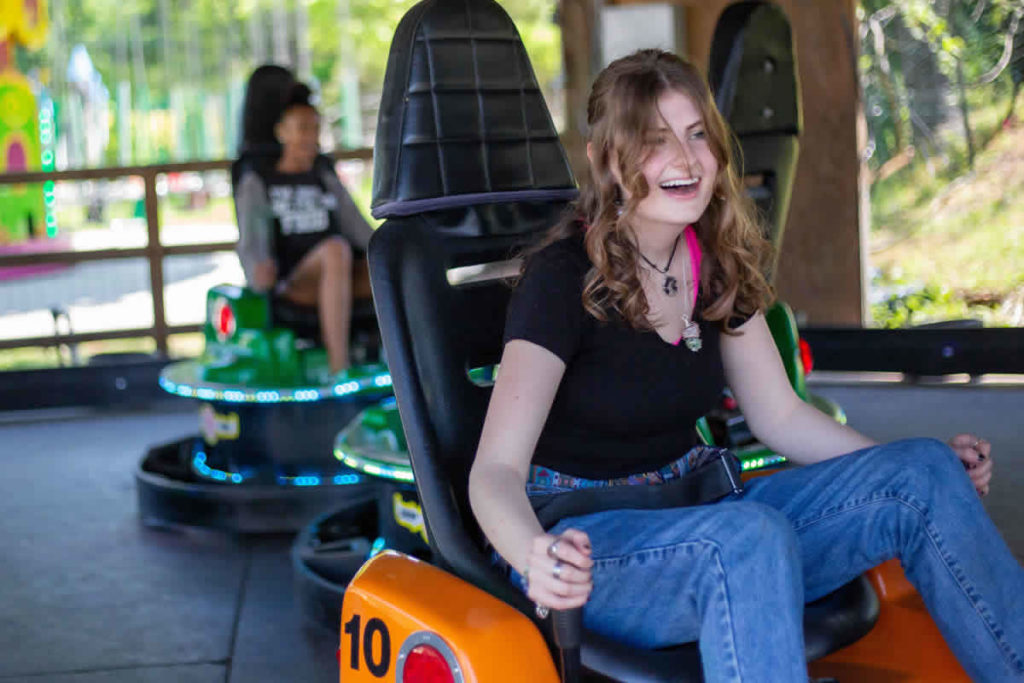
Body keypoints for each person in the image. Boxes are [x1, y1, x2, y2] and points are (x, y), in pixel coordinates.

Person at [468, 49, 1022, 682]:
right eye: (655, 142)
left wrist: (900, 476)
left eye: (697, 135)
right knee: (748, 538)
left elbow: (781, 415)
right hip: (594, 548)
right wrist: (533, 556)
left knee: (921, 469)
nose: (685, 159)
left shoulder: (714, 262)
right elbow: (495, 471)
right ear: (607, 161)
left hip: (702, 509)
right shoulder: (562, 277)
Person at [235, 82, 373, 374]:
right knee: (335, 250)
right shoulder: (258, 181)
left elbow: (360, 229)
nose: (310, 137)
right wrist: (257, 268)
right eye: (302, 129)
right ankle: (340, 370)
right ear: (281, 132)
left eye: (314, 128)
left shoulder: (323, 175)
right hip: (295, 283)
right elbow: (252, 240)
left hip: (341, 272)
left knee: (398, 267)